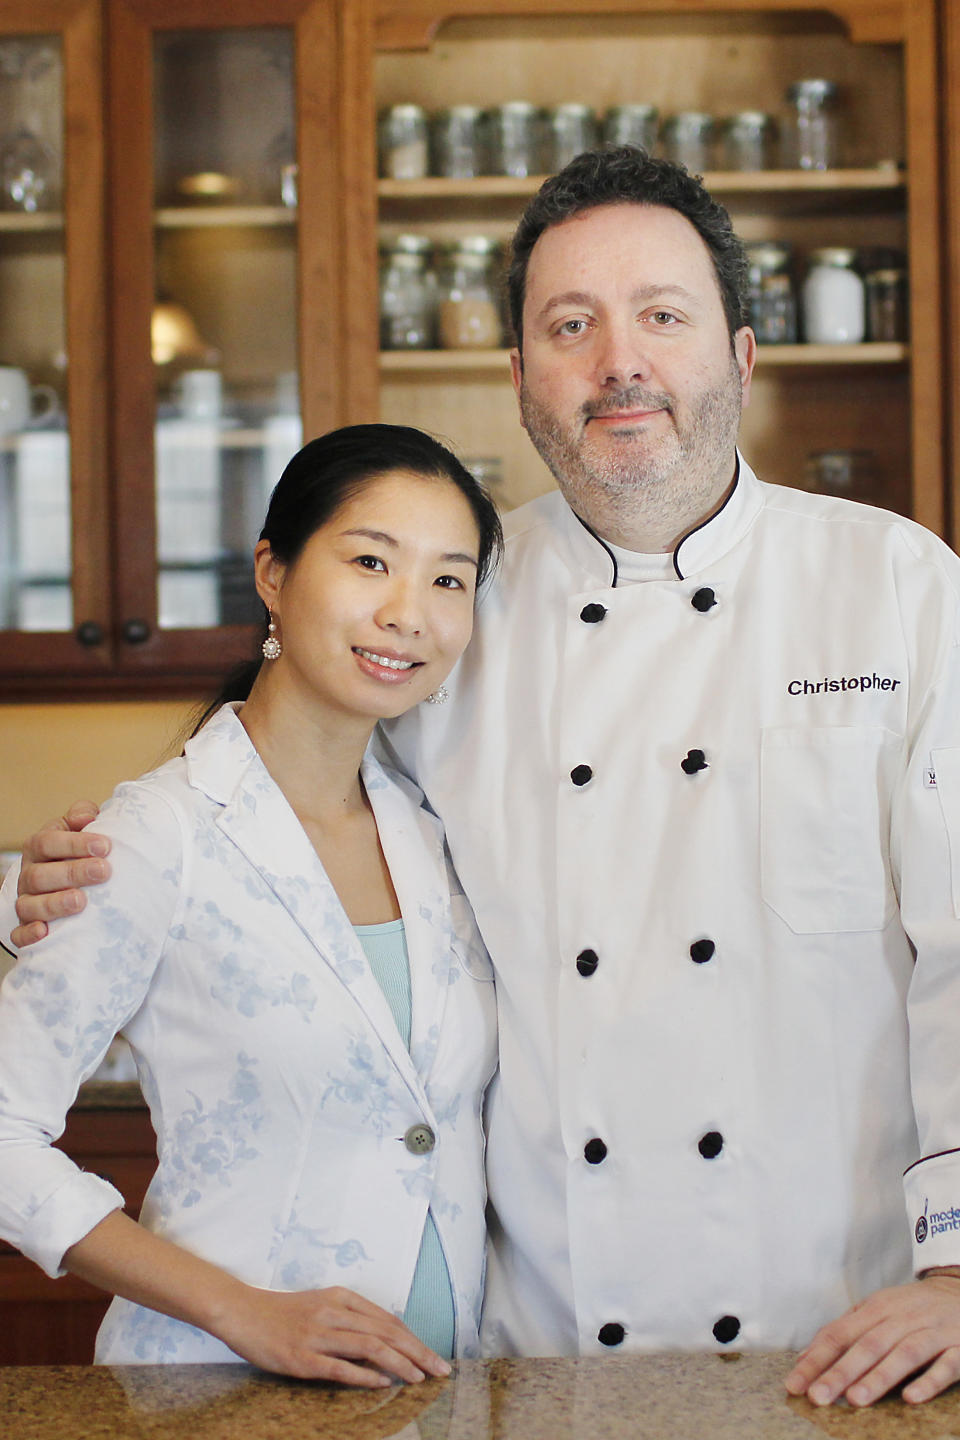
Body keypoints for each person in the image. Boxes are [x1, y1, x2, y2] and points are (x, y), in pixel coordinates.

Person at [10, 147, 960, 1407]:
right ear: (519, 380)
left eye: (661, 317)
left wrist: (957, 1269)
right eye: (572, 326)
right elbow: (265, 811)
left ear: (737, 354)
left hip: (840, 1330)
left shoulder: (898, 587)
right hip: (539, 1351)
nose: (620, 360)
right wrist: (59, 879)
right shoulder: (462, 601)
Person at [0, 423, 502, 1385]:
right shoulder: (158, 835)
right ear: (273, 573)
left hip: (439, 1395)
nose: (410, 613)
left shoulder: (437, 835)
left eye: (450, 579)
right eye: (370, 562)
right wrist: (246, 1315)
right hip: (214, 1390)